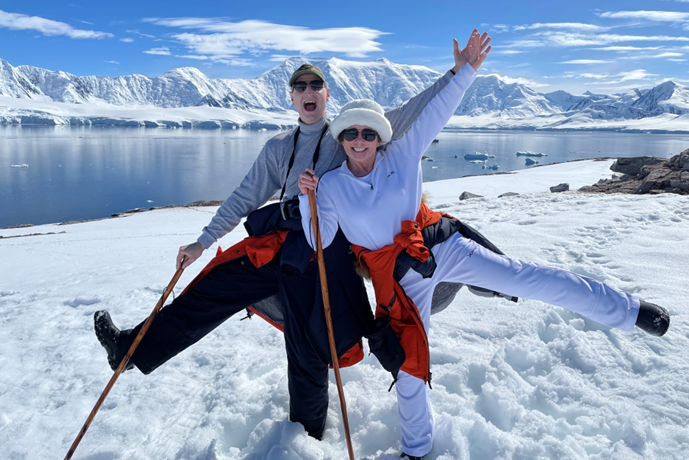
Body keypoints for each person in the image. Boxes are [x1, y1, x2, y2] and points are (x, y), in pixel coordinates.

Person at [92, 34, 489, 440]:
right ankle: (129, 349)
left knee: (310, 343)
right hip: (277, 246)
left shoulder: (347, 133)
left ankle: (306, 433)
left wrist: (458, 72)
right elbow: (244, 198)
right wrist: (202, 241)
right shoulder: (278, 147)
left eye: (315, 84)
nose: (308, 91)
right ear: (292, 99)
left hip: (324, 253)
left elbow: (409, 114)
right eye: (300, 87)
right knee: (208, 289)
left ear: (327, 94)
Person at [297, 30, 670, 459]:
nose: (359, 140)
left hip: (439, 245)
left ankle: (629, 310)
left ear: (379, 136)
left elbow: (437, 112)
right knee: (409, 365)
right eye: (351, 134)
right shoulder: (329, 186)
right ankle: (415, 450)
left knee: (529, 278)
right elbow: (320, 240)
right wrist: (309, 202)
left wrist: (467, 70)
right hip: (397, 281)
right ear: (341, 138)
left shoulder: (401, 155)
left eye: (367, 132)